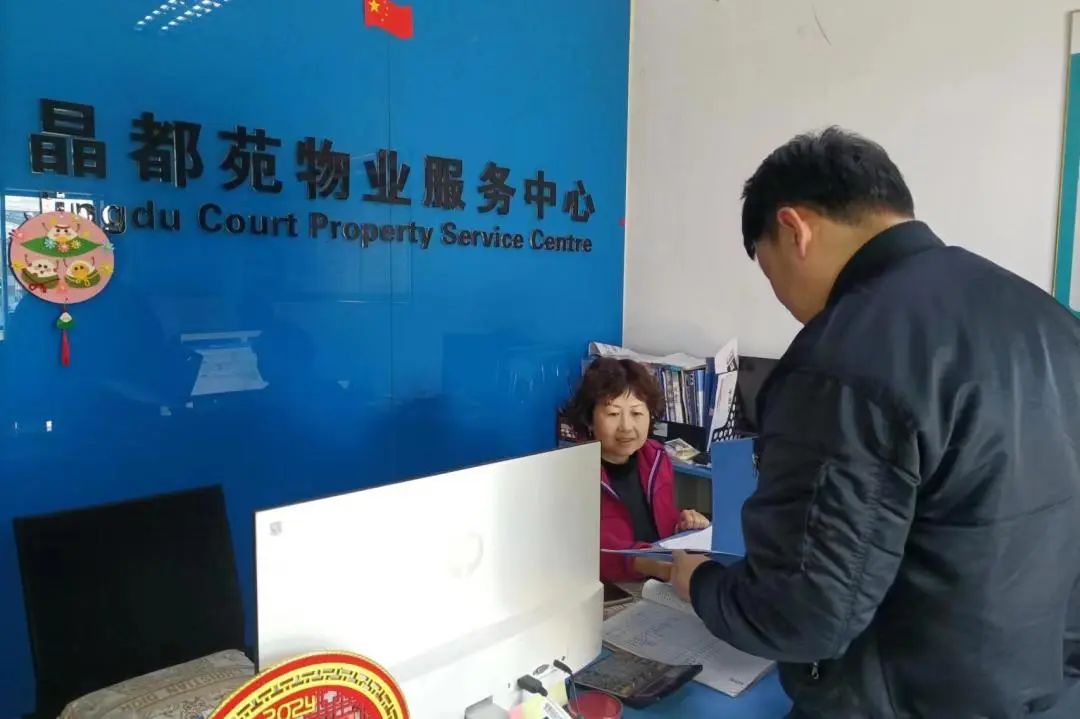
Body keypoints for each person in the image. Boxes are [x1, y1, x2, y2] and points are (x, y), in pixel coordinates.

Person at [670, 127, 1080, 718]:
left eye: (770, 273)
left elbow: (802, 612)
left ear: (794, 229)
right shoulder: (1049, 321)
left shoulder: (843, 357)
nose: (783, 299)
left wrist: (701, 583)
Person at [563, 357, 709, 583]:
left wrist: (684, 525)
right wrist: (649, 564)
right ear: (589, 420)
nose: (626, 427)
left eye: (637, 413)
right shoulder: (571, 472)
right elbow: (582, 550)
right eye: (613, 414)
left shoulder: (656, 457)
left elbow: (662, 526)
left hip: (658, 582)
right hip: (608, 589)